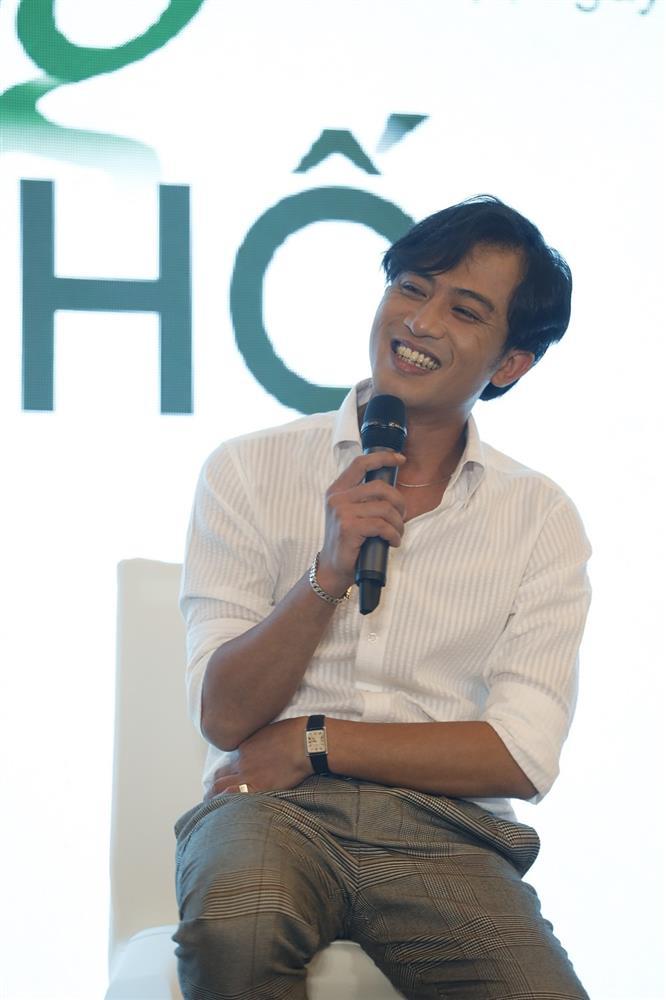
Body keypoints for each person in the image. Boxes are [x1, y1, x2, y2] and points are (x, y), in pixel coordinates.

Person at [173, 195, 592, 999]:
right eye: (411, 287)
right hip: (271, 812)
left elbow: (520, 754)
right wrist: (328, 572)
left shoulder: (540, 518)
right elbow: (224, 716)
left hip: (447, 832)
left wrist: (315, 741)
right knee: (237, 932)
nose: (420, 322)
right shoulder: (247, 471)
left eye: (463, 310)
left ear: (510, 364)